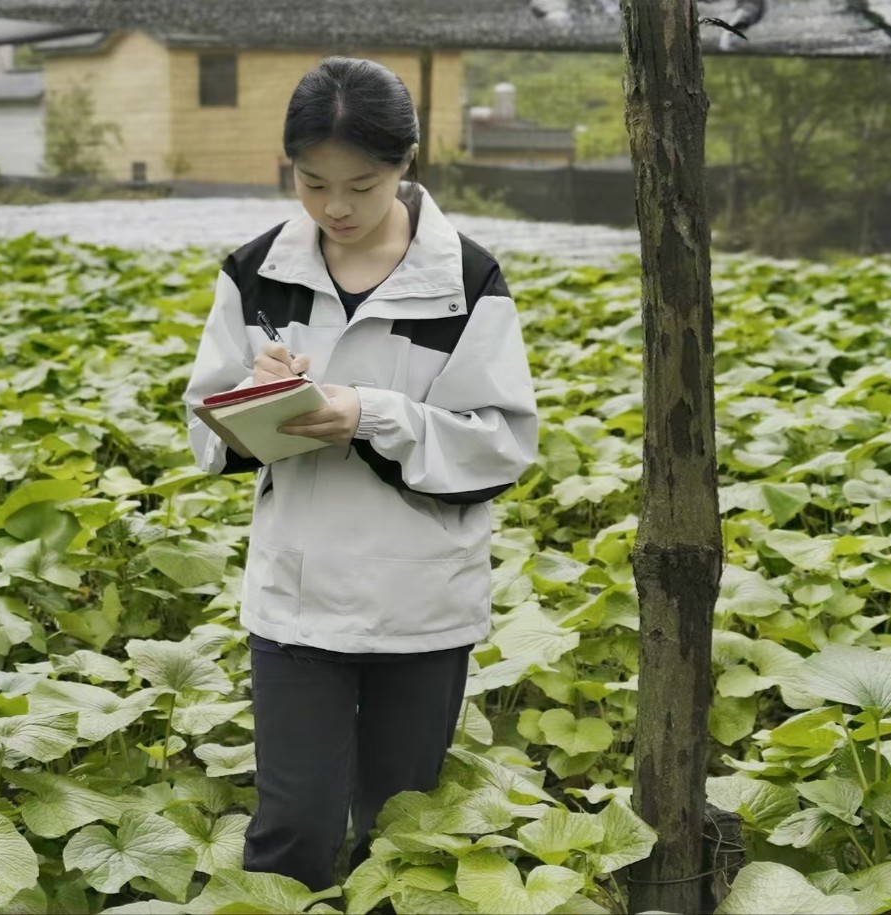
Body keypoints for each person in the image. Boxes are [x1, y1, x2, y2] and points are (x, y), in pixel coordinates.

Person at [183, 56, 538, 891]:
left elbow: (500, 444)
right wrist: (254, 395)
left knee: (401, 833)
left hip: (420, 602)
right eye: (312, 184)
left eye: (363, 184)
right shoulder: (258, 269)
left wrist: (369, 413)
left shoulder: (465, 281)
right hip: (296, 599)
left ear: (407, 162)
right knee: (291, 826)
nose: (336, 208)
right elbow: (204, 423)